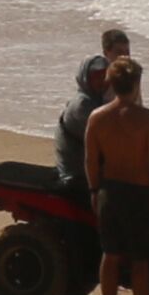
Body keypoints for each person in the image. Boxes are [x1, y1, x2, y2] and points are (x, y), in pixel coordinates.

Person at [78, 55, 149, 295]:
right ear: (137, 84)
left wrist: (94, 189)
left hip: (110, 189)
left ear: (111, 83)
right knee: (140, 260)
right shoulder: (145, 118)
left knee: (110, 255)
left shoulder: (97, 117)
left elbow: (91, 160)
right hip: (140, 192)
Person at [54, 23, 136, 190]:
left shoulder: (100, 97)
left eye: (103, 75)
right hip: (77, 173)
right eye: (95, 76)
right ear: (84, 78)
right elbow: (109, 138)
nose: (100, 81)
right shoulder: (83, 105)